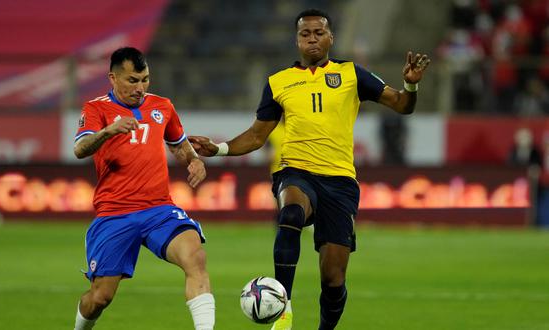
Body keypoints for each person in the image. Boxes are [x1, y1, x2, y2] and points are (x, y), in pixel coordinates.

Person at [189, 9, 430, 330]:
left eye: (319, 33)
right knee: (290, 214)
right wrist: (218, 149)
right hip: (296, 171)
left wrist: (410, 87)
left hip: (340, 182)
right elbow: (257, 135)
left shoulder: (351, 74)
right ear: (297, 40)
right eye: (306, 34)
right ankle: (282, 304)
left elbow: (401, 105)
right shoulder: (279, 82)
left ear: (330, 37)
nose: (312, 39)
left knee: (333, 280)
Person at [72, 47, 215, 330]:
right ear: (113, 78)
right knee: (100, 297)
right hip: (114, 213)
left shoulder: (162, 106)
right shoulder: (96, 108)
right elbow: (79, 149)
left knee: (195, 258)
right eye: (132, 80)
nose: (140, 88)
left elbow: (179, 145)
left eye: (145, 79)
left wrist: (195, 161)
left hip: (159, 209)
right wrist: (108, 131)